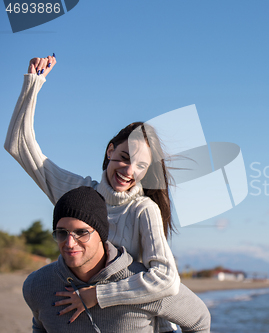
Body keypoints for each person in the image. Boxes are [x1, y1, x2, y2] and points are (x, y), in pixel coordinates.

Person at [5, 55, 201, 332]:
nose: (128, 171)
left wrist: (96, 295)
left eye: (141, 165)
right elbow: (19, 147)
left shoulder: (143, 209)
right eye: (123, 157)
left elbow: (166, 279)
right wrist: (33, 84)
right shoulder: (78, 195)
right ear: (110, 150)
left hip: (138, 321)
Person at [23, 186, 210, 333]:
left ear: (102, 235)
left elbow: (199, 320)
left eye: (81, 233)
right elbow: (40, 327)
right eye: (62, 233)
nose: (70, 243)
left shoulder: (144, 284)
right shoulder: (37, 285)